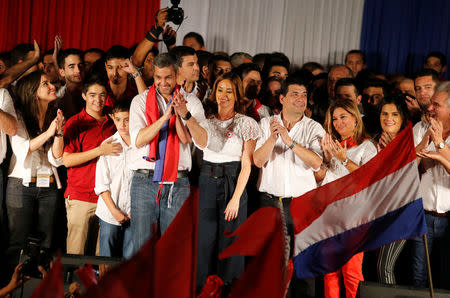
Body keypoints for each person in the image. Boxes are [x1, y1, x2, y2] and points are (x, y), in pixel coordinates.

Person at [178, 72, 260, 289]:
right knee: (204, 242)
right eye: (220, 90)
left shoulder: (246, 122)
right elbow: (198, 142)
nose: (223, 95)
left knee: (230, 242)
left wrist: (236, 199)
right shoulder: (206, 121)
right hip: (206, 180)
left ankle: (229, 291)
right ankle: (202, 291)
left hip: (233, 182)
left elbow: (247, 165)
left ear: (236, 95)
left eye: (229, 91)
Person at [128, 53, 205, 254]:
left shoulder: (192, 102)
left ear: (177, 74)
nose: (163, 82)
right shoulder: (140, 101)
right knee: (142, 249)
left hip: (178, 183)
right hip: (144, 181)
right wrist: (164, 118)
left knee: (174, 248)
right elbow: (138, 140)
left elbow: (191, 140)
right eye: (158, 78)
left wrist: (181, 114)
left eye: (168, 77)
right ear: (153, 76)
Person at [317, 99, 377, 298]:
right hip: (330, 215)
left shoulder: (367, 146)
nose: (338, 122)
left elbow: (368, 179)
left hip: (354, 217)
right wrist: (326, 158)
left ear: (355, 118)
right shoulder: (333, 146)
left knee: (351, 273)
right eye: (334, 119)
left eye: (343, 116)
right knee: (329, 273)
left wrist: (343, 159)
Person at [6, 71, 64, 263]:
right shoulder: (19, 115)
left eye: (51, 83)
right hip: (20, 185)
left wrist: (58, 133)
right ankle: (13, 288)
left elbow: (56, 158)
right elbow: (22, 148)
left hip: (48, 185)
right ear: (32, 92)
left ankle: (40, 285)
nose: (52, 86)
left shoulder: (53, 115)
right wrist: (49, 133)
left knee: (45, 242)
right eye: (45, 84)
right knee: (18, 242)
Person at [63, 78, 117, 255]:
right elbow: (67, 160)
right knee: (76, 251)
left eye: (102, 95)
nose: (98, 100)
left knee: (102, 253)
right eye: (92, 95)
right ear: (84, 96)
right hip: (81, 195)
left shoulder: (114, 119)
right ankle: (71, 283)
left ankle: (100, 283)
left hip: (108, 197)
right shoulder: (75, 122)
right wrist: (100, 150)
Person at [412, 81, 450, 288]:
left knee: (445, 278)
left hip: (449, 219)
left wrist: (440, 145)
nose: (430, 108)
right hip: (423, 215)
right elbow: (410, 166)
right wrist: (429, 137)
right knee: (419, 277)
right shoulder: (420, 128)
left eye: (436, 104)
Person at [95, 100, 137, 259]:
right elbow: (101, 184)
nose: (123, 124)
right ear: (113, 118)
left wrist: (136, 210)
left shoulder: (141, 144)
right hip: (110, 212)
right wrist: (114, 211)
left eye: (127, 119)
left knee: (130, 259)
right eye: (118, 120)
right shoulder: (108, 144)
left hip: (134, 212)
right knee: (107, 258)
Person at [374, 95, 409, 284]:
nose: (389, 118)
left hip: (400, 212)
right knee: (378, 267)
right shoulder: (374, 141)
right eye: (385, 113)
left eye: (395, 114)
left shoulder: (408, 142)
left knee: (385, 266)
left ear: (402, 117)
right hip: (380, 212)